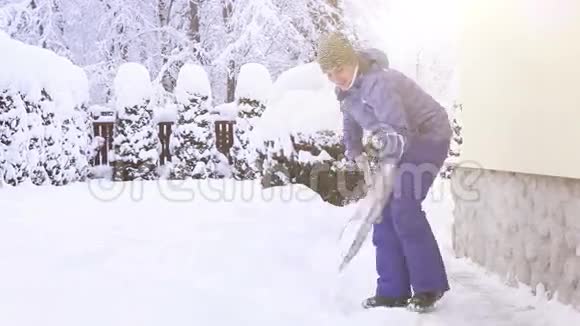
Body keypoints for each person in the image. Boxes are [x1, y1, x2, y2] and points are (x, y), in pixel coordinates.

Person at [316, 32, 453, 310]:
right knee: (382, 213)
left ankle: (429, 286)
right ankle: (392, 291)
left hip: (428, 135)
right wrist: (354, 153)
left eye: (339, 69)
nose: (336, 77)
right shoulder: (346, 94)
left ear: (351, 60)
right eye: (329, 74)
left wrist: (386, 165)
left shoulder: (379, 83)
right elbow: (351, 127)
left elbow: (398, 129)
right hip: (401, 142)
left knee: (403, 204)